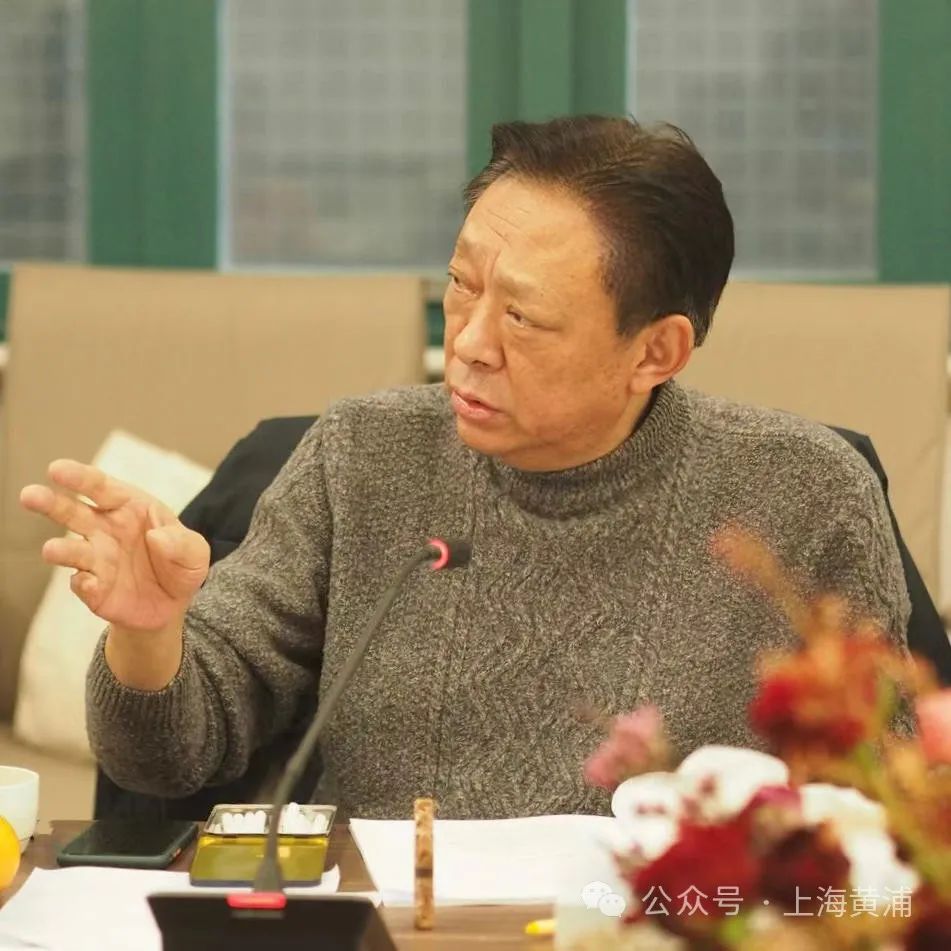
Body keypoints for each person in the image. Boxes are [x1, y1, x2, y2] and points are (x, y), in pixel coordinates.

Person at [20, 116, 909, 820]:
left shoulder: (802, 494)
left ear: (655, 351)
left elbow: (893, 808)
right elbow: (167, 759)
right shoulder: (361, 456)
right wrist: (149, 633)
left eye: (523, 317)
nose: (469, 343)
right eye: (460, 286)